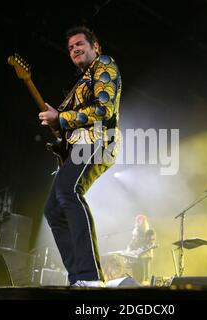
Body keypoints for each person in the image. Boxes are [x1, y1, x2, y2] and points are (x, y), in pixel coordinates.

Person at [39, 26, 122, 287]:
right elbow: (71, 124)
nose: (74, 49)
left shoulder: (104, 64)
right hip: (81, 145)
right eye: (70, 47)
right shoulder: (82, 82)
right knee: (52, 210)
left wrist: (61, 118)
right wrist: (59, 121)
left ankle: (90, 276)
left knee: (68, 192)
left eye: (79, 44)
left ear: (95, 46)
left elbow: (103, 109)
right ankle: (78, 277)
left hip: (99, 140)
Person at [126, 214, 156, 285]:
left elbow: (150, 242)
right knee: (136, 278)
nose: (139, 222)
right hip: (136, 257)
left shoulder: (149, 231)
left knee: (145, 279)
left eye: (141, 220)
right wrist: (128, 252)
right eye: (138, 220)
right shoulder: (135, 231)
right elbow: (132, 243)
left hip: (145, 257)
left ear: (144, 222)